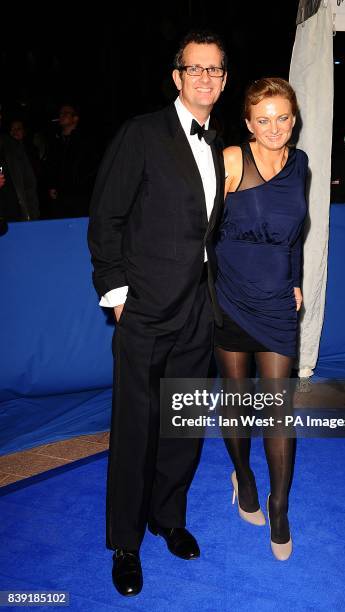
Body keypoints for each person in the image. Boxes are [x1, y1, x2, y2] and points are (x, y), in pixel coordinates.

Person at [87, 31, 227, 596]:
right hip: (144, 309)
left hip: (200, 308)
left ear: (224, 78)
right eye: (194, 69)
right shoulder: (141, 134)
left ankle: (167, 518)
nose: (204, 78)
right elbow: (106, 220)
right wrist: (117, 297)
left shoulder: (224, 144)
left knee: (185, 423)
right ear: (177, 76)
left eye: (215, 70)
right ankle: (125, 541)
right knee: (136, 429)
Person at [214, 77, 307, 561]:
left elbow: (296, 235)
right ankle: (243, 476)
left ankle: (280, 506)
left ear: (294, 119)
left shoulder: (301, 165)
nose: (275, 128)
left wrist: (294, 281)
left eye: (283, 117)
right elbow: (199, 231)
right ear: (249, 123)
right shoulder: (232, 159)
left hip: (276, 304)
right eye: (264, 119)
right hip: (229, 298)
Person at [45, 103, 97, 218]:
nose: (61, 116)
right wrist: (52, 184)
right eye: (60, 113)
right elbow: (51, 165)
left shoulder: (85, 140)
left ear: (75, 118)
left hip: (80, 197)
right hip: (59, 197)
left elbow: (92, 166)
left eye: (66, 113)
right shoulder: (55, 140)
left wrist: (79, 185)